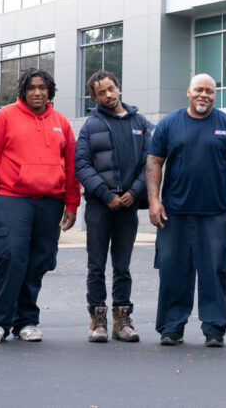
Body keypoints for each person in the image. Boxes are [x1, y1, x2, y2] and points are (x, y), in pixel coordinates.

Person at [146, 73, 226, 347]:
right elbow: (154, 161)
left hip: (215, 213)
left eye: (210, 91)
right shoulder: (169, 124)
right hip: (174, 213)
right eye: (199, 90)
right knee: (172, 270)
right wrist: (154, 200)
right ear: (188, 92)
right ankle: (171, 328)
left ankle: (214, 329)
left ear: (215, 95)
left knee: (214, 270)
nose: (204, 95)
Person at [0, 68, 79, 344]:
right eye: (32, 87)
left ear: (50, 91)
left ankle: (26, 322)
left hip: (50, 202)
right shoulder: (5, 116)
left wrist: (72, 202)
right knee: (10, 257)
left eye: (42, 87)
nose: (37, 92)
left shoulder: (60, 122)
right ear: (23, 90)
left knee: (38, 262)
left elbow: (71, 165)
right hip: (12, 198)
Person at [75, 70, 152, 343]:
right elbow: (81, 165)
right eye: (101, 92)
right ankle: (98, 320)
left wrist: (135, 191)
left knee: (123, 266)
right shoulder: (89, 126)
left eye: (111, 89)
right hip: (99, 206)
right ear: (94, 97)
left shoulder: (140, 123)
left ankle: (122, 320)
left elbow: (150, 163)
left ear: (118, 87)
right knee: (96, 265)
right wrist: (106, 195)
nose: (108, 95)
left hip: (128, 205)